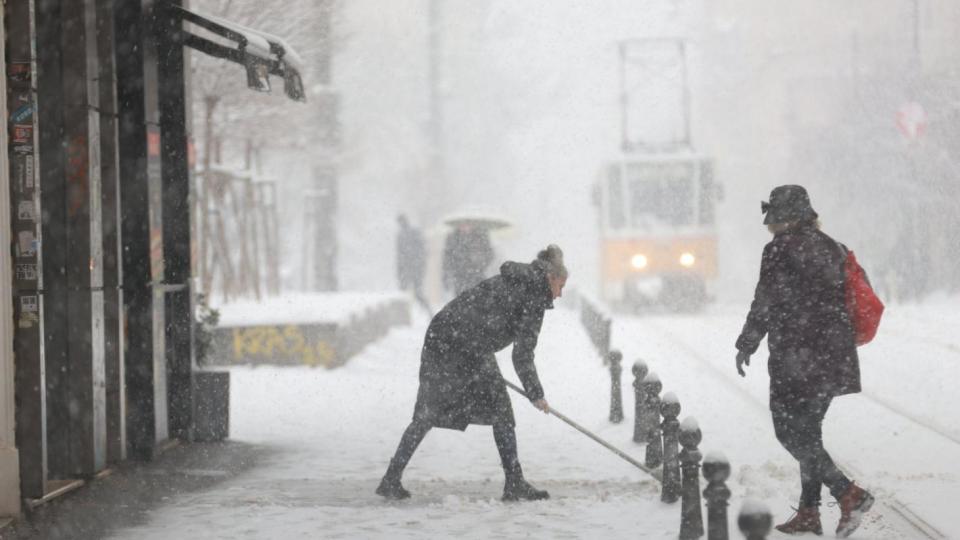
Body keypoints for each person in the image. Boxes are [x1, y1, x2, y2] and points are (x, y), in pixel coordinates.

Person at [377, 245, 568, 502]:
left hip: (444, 333)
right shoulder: (533, 294)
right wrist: (536, 394)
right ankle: (514, 483)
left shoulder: (519, 279)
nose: (560, 294)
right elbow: (522, 355)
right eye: (561, 286)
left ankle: (391, 478)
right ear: (551, 278)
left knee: (429, 411)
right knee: (501, 412)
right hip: (464, 343)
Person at [735, 185, 874, 538]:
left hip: (797, 358)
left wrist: (747, 342)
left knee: (790, 433)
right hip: (833, 357)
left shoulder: (779, 250)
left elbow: (765, 300)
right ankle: (810, 513)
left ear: (784, 218)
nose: (768, 225)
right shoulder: (834, 248)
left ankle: (848, 494)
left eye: (772, 218)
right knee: (808, 434)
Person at [442, 224, 494, 296]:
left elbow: (489, 254)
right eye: (462, 224)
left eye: (468, 223)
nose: (465, 226)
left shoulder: (481, 236)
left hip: (477, 275)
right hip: (459, 278)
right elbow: (447, 258)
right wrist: (447, 275)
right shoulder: (452, 237)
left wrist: (479, 261)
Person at [396, 214, 430, 314]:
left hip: (412, 268)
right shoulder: (409, 233)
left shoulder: (406, 234)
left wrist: (401, 270)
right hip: (412, 268)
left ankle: (404, 314)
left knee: (409, 292)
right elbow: (400, 254)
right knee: (415, 293)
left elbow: (401, 254)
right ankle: (427, 311)